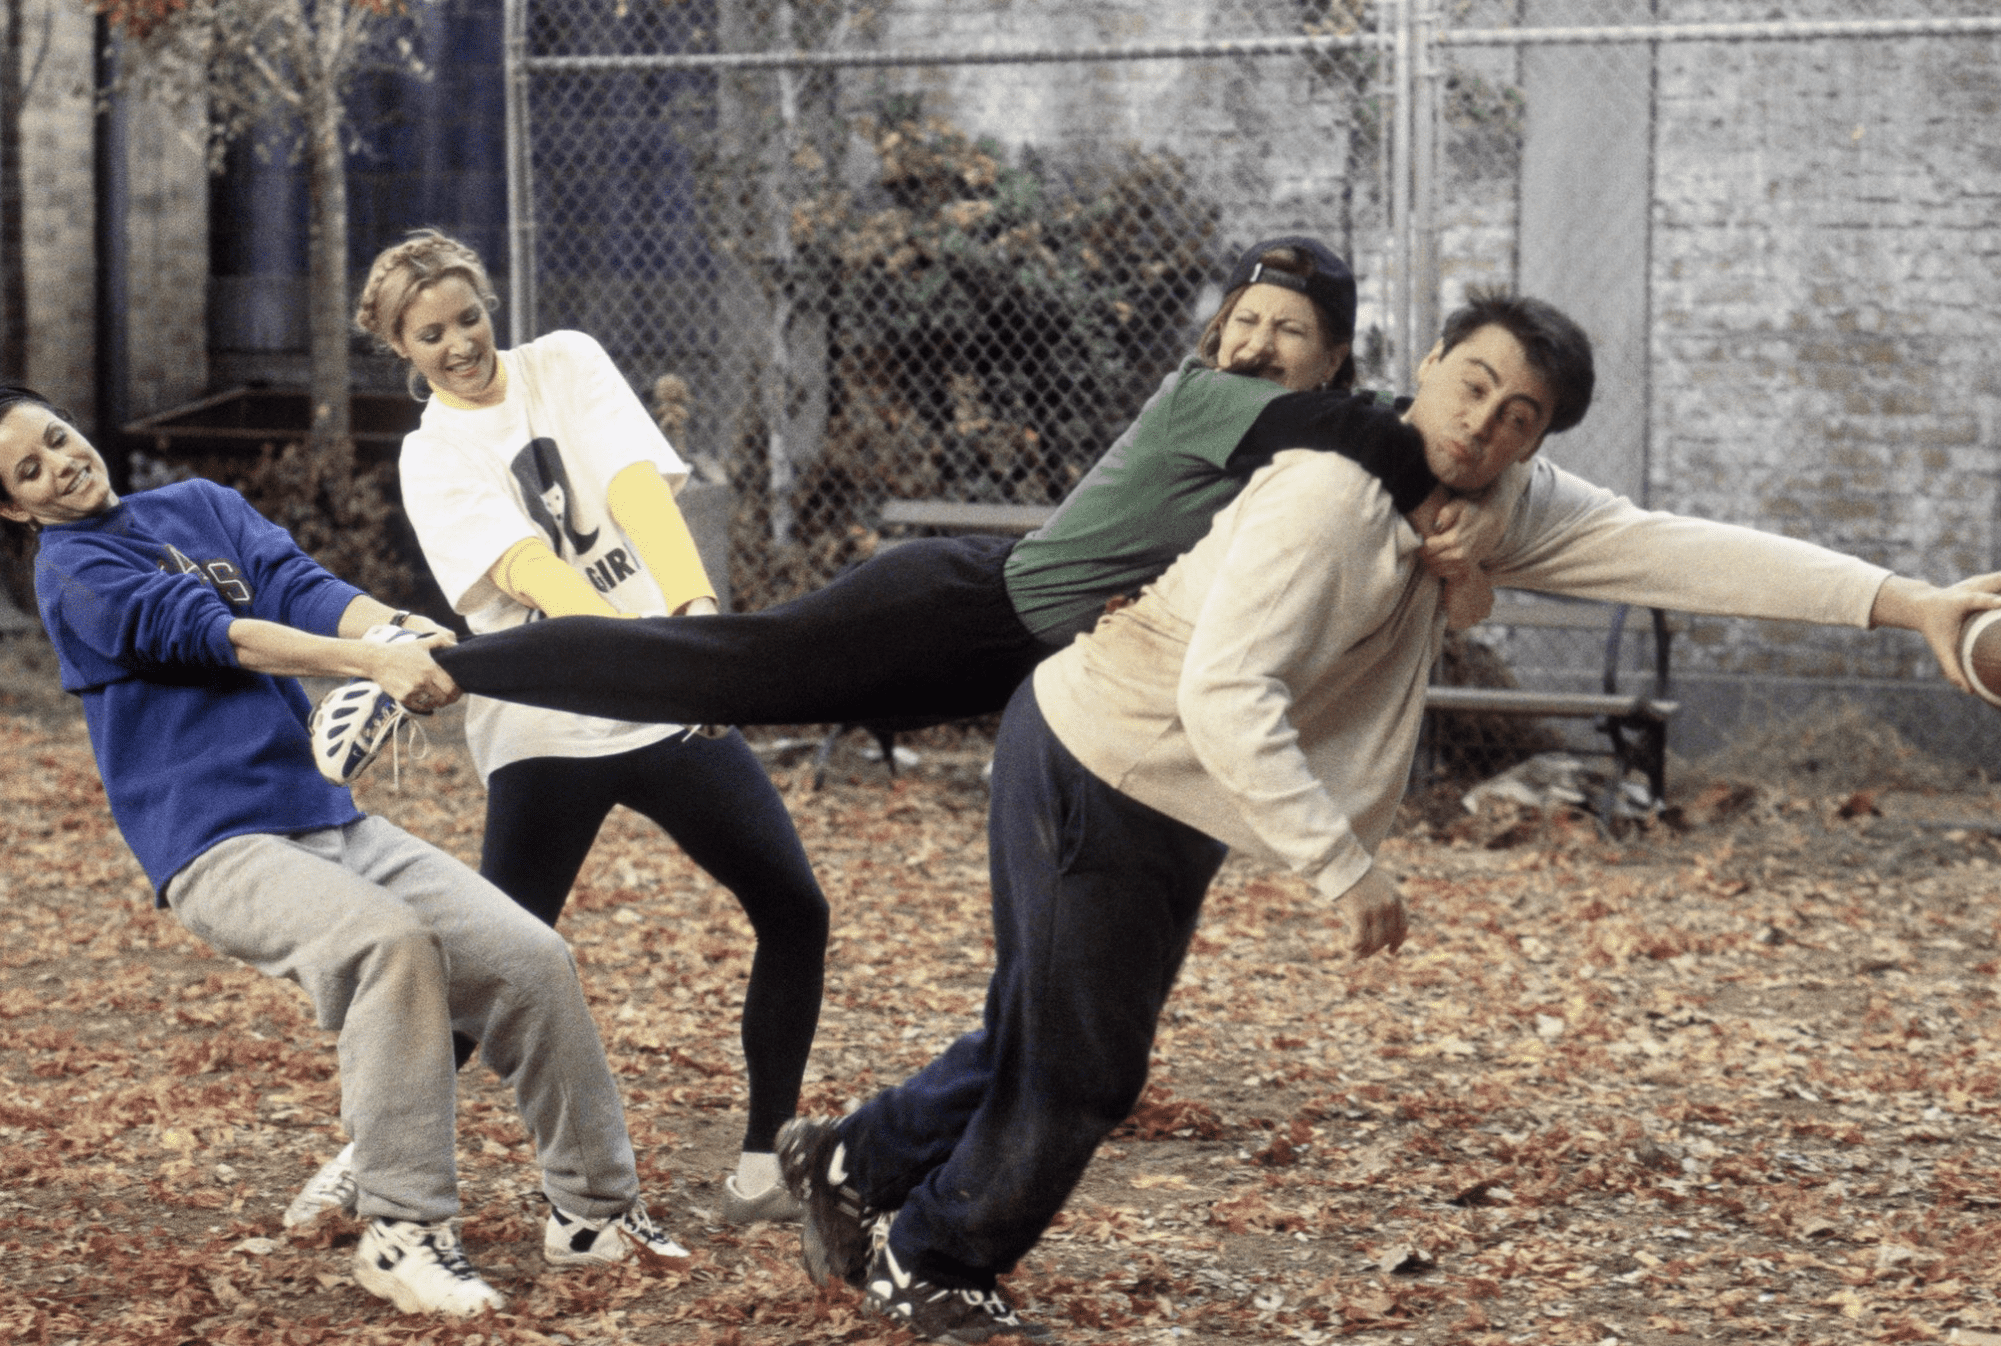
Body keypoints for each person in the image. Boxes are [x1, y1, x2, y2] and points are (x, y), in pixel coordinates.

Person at [770, 290, 2001, 1342]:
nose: (1484, 420)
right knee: (1085, 1063)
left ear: (1537, 436)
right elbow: (1225, 692)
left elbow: (1682, 550)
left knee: (1040, 1023)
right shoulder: (1330, 493)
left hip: (1159, 781)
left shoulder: (1499, 500)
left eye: (1518, 413)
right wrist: (1340, 861)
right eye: (1473, 383)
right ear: (1427, 366)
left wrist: (1912, 603)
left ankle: (852, 1162)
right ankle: (933, 1257)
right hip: (1107, 755)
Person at [0, 387, 687, 1319]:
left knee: (528, 956)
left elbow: (298, 587)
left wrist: (394, 633)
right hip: (216, 846)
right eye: (29, 471)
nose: (61, 464)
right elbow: (225, 636)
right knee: (388, 946)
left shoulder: (197, 504)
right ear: (13, 506)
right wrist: (371, 665)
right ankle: (401, 1231)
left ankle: (592, 1213)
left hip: (327, 819)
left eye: (56, 437)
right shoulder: (74, 572)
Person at [429, 235, 1507, 730]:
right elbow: (1383, 440)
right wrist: (1458, 461)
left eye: (1292, 331)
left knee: (738, 691)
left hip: (1022, 662)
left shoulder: (1307, 464)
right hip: (965, 608)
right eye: (1248, 322)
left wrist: (1456, 551)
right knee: (725, 672)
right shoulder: (1211, 398)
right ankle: (448, 665)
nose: (1261, 343)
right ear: (1219, 334)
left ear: (1331, 354)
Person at [347, 229, 830, 1225]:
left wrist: (695, 621)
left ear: (489, 304)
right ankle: (368, 1158)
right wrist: (657, 659)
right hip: (546, 720)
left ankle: (758, 1167)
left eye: (468, 316)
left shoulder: (565, 360)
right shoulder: (431, 456)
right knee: (497, 965)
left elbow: (637, 494)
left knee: (794, 905)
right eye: (429, 333)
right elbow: (535, 576)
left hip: (660, 699)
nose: (460, 344)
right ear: (402, 347)